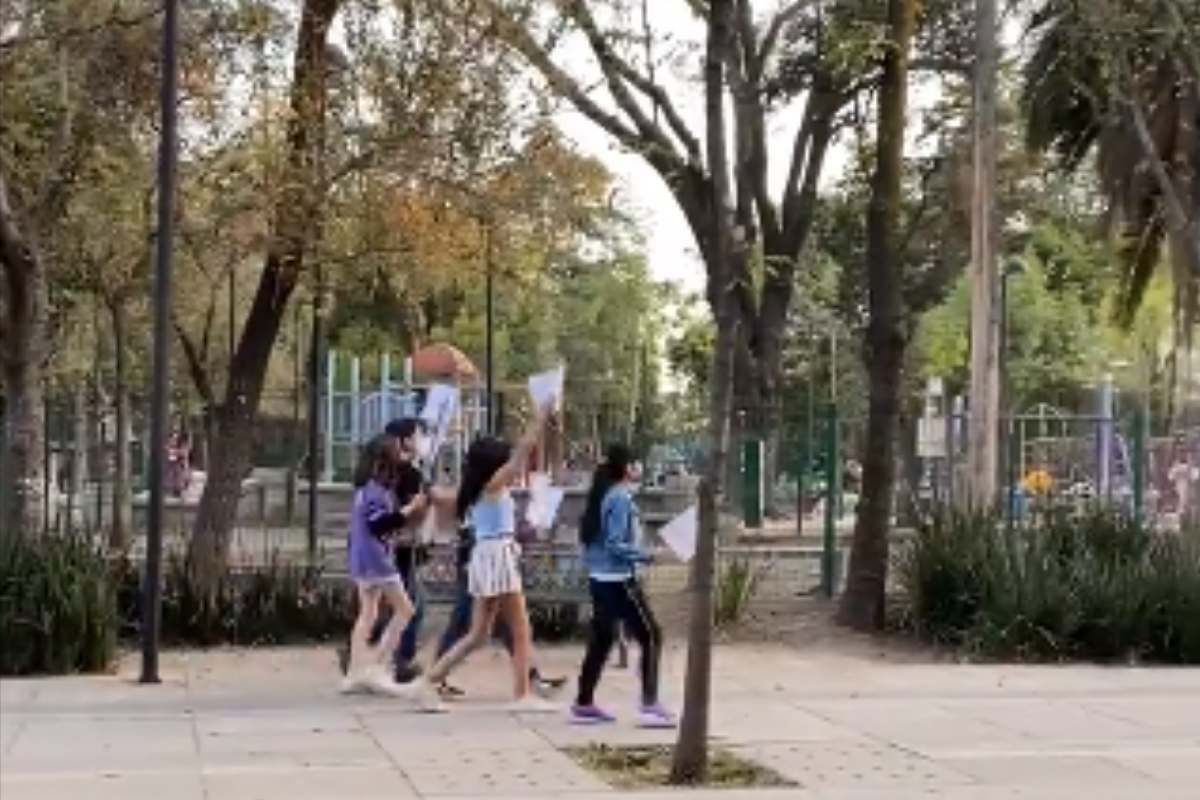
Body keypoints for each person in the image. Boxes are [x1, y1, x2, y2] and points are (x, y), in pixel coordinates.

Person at [423, 408, 556, 710]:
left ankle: (430, 680)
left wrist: (428, 491)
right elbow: (523, 451)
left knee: (478, 634)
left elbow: (441, 496)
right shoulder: (493, 485)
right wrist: (540, 414)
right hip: (499, 555)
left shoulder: (472, 489)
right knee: (520, 631)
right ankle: (522, 695)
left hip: (486, 556)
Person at [570, 443, 675, 728]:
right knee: (651, 636)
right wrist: (647, 554)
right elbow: (616, 544)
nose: (639, 467)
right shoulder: (619, 499)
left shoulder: (602, 494)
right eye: (635, 462)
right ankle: (650, 705)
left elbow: (597, 544)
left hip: (600, 579)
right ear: (627, 468)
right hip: (619, 582)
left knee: (601, 641)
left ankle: (583, 702)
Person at [432, 513, 567, 699]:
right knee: (468, 624)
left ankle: (530, 678)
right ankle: (433, 679)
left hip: (489, 557)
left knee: (504, 628)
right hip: (483, 557)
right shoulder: (484, 490)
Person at [337, 418, 429, 683]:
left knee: (369, 613)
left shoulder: (367, 488)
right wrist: (410, 509)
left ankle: (355, 671)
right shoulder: (376, 491)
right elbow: (379, 524)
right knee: (406, 610)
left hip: (364, 557)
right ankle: (379, 663)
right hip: (377, 559)